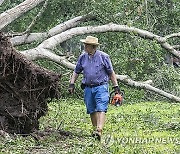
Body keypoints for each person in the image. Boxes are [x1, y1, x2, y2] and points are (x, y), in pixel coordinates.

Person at [68, 36, 120, 140]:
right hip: (88, 87)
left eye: (87, 45)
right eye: (85, 44)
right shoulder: (82, 57)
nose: (85, 47)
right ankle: (95, 130)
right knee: (91, 109)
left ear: (93, 47)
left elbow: (111, 72)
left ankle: (99, 129)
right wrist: (72, 83)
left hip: (101, 86)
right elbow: (76, 71)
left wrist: (116, 87)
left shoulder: (103, 56)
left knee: (101, 107)